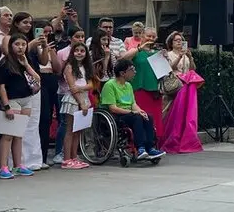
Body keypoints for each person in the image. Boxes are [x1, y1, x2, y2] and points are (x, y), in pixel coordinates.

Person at [100, 59, 165, 161]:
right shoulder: (110, 85)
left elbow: (133, 104)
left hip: (130, 113)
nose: (134, 72)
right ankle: (140, 148)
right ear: (122, 73)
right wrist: (133, 112)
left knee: (147, 116)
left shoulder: (128, 85)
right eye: (132, 70)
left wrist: (140, 111)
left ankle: (150, 147)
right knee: (137, 118)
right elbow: (113, 108)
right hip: (116, 115)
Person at [0, 33, 40, 179]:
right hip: (12, 99)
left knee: (19, 134)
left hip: (26, 98)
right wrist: (6, 106)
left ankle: (18, 164)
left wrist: (26, 64)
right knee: (8, 134)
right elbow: (1, 87)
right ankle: (3, 167)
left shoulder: (25, 61)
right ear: (10, 46)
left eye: (23, 44)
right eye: (17, 44)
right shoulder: (4, 63)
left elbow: (37, 78)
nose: (20, 47)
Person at [60, 41, 93, 170]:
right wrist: (81, 102)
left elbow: (91, 84)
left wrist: (80, 87)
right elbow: (72, 88)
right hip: (73, 100)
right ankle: (67, 159)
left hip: (84, 99)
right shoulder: (69, 67)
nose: (79, 53)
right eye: (77, 50)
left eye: (82, 51)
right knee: (70, 131)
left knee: (78, 131)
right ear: (72, 53)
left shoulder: (86, 67)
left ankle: (74, 157)